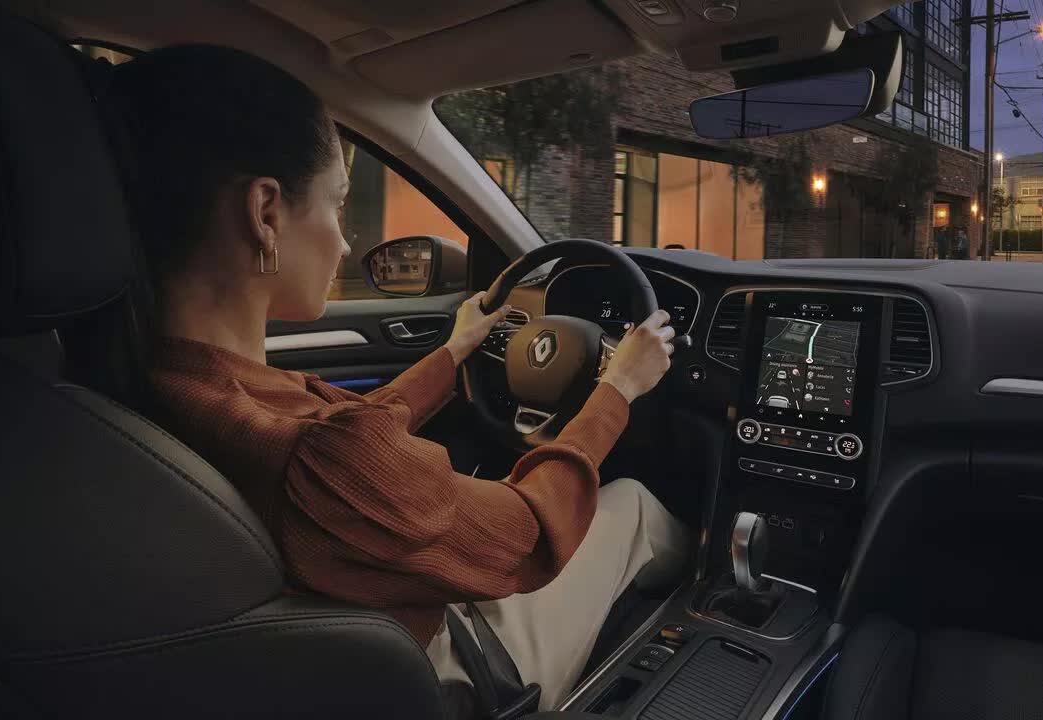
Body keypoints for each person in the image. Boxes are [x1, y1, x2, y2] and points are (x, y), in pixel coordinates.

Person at [110, 45, 690, 713]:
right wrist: (618, 388)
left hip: (340, 652)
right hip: (442, 671)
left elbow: (344, 443)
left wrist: (455, 350)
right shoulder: (320, 458)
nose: (344, 242)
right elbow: (530, 533)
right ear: (266, 214)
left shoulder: (160, 380)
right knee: (634, 505)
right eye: (338, 203)